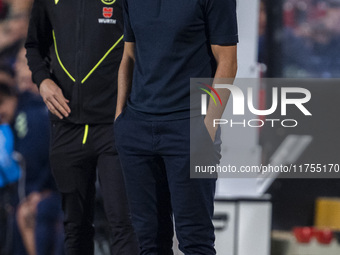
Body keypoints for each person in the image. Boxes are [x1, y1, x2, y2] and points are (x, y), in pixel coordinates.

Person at [114, 0, 238, 254]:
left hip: (190, 127)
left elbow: (228, 62)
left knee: (195, 241)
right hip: (136, 129)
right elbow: (129, 54)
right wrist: (120, 117)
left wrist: (208, 128)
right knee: (149, 242)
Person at [25, 0, 139, 254]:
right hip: (66, 125)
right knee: (75, 227)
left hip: (114, 124)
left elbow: (138, 46)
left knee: (123, 223)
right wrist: (43, 80)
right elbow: (34, 45)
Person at [0, 82, 63, 255]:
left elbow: (36, 159)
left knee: (25, 213)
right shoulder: (21, 116)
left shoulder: (27, 118)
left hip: (56, 190)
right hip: (48, 188)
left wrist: (36, 192)